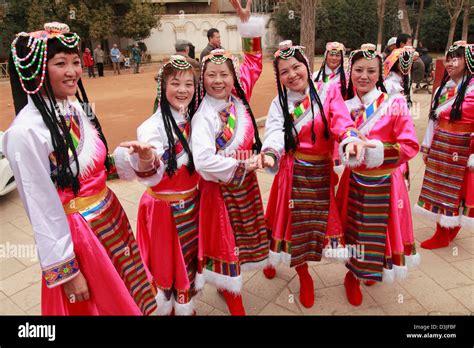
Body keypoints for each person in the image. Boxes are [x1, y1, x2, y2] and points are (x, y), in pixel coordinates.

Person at [4, 22, 159, 315]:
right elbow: (40, 207)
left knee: (128, 298)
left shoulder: (73, 108)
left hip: (108, 218)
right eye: (60, 63)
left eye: (76, 62)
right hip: (81, 238)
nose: (73, 71)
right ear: (37, 71)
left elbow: (94, 167)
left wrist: (138, 158)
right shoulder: (25, 132)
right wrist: (67, 271)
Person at [260, 40, 368, 308]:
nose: (292, 74)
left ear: (306, 66)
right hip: (291, 172)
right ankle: (303, 274)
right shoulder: (279, 102)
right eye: (284, 71)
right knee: (290, 228)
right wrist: (271, 152)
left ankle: (343, 273)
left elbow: (341, 120)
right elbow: (274, 131)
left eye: (296, 67)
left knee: (315, 228)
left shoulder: (327, 92)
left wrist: (349, 138)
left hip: (320, 173)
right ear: (279, 76)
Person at [191, 0, 267, 316]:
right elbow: (203, 161)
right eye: (212, 75)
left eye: (224, 74)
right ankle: (230, 289)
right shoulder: (201, 113)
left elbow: (253, 59)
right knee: (225, 240)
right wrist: (242, 165)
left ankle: (229, 284)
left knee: (243, 236)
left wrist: (246, 23)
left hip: (243, 183)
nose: (219, 80)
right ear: (202, 77)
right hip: (219, 189)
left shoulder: (239, 95)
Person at [114, 55, 199, 315]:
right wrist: (146, 156)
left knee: (188, 259)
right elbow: (153, 162)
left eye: (189, 84)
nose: (183, 90)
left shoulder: (198, 118)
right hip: (163, 210)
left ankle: (185, 303)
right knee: (165, 263)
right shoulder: (152, 126)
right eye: (175, 83)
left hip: (193, 204)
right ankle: (168, 307)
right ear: (162, 87)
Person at [337, 44, 420, 306]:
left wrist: (378, 151)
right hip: (354, 181)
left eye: (371, 71)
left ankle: (372, 266)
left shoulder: (394, 103)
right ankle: (353, 274)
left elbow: (409, 145)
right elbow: (335, 145)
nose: (364, 76)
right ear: (350, 73)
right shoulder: (344, 107)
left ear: (379, 74)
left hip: (386, 181)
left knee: (381, 231)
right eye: (358, 70)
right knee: (354, 229)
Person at [414, 41, 474, 249]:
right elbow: (433, 120)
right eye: (448, 59)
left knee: (458, 190)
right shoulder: (442, 89)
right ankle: (444, 228)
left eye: (455, 58)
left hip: (464, 146)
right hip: (441, 143)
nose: (450, 63)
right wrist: (427, 146)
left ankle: (446, 229)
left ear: (467, 62)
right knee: (439, 188)